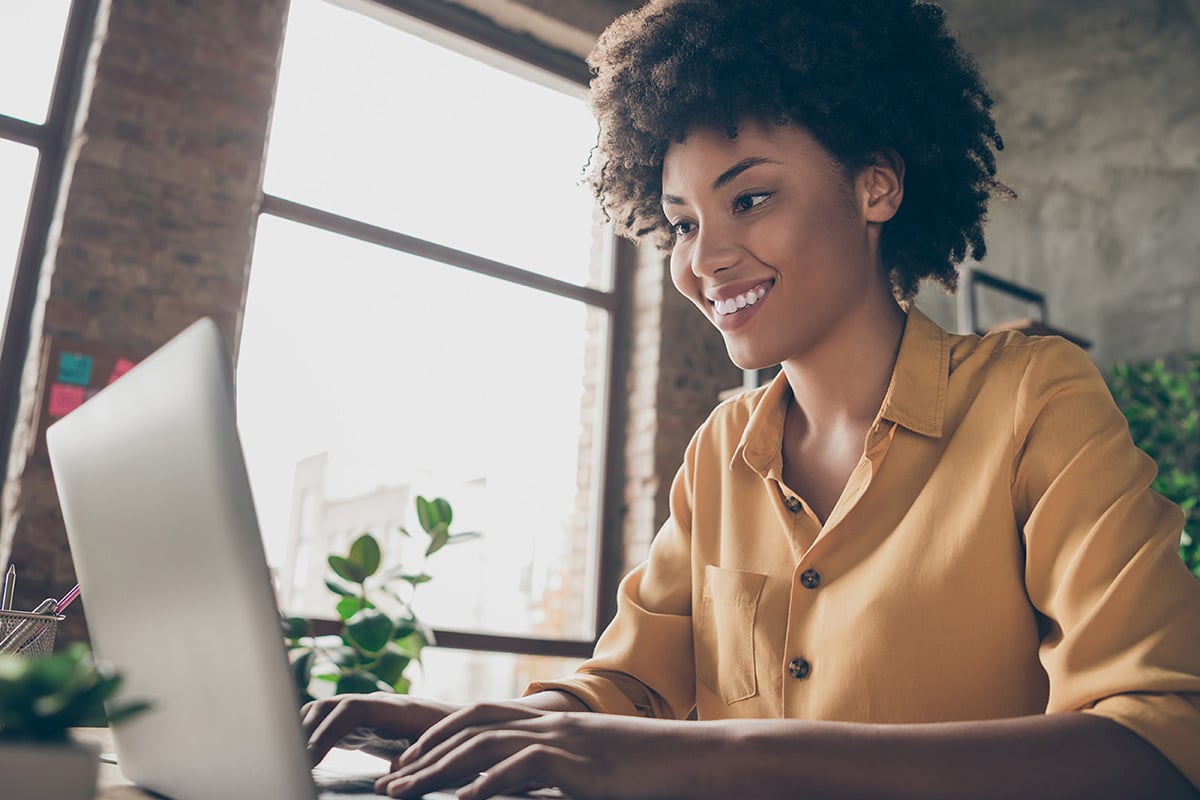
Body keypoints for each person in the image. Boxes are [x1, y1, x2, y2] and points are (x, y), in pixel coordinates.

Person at [302, 1, 1200, 797]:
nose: (703, 259)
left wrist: (730, 757)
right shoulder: (722, 449)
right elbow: (628, 688)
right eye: (684, 221)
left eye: (752, 198)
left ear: (876, 184)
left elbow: (1158, 744)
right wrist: (472, 731)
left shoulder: (1032, 398)